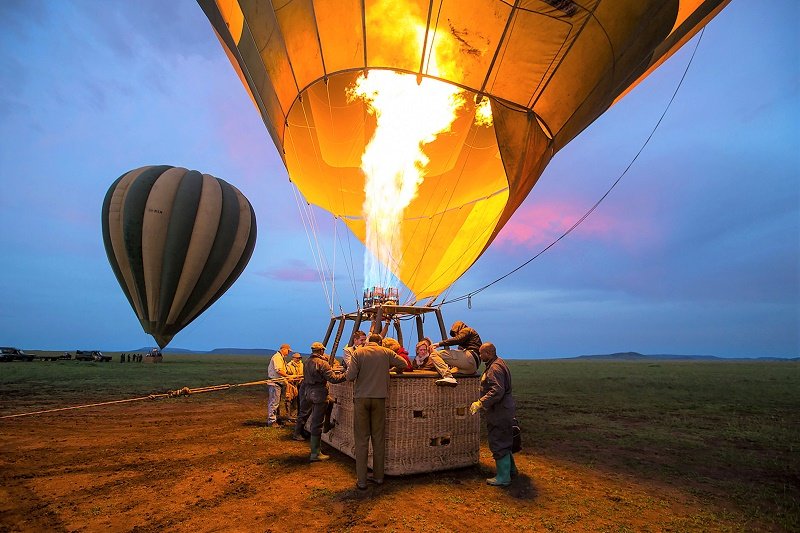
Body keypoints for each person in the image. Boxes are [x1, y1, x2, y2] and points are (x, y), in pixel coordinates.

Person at [346, 333, 408, 489]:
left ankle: (361, 481)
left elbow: (350, 376)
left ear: (368, 341)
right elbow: (404, 363)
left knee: (361, 440)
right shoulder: (386, 352)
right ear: (380, 342)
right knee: (378, 438)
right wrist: (388, 368)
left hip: (361, 399)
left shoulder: (358, 352)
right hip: (380, 399)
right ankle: (379, 477)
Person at [469, 342, 517, 486]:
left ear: (488, 353)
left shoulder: (494, 369)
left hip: (499, 411)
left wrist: (481, 402)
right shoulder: (499, 363)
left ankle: (503, 477)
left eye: (481, 353)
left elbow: (497, 391)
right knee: (505, 439)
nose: (479, 355)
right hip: (505, 409)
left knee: (498, 440)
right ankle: (511, 470)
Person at [302, 342, 346, 461]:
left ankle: (327, 425)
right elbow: (333, 379)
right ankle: (315, 453)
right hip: (319, 394)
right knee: (317, 423)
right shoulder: (322, 363)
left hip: (309, 393)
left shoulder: (306, 362)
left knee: (330, 402)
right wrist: (346, 374)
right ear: (321, 351)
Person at [267, 343, 291, 427]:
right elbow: (278, 370)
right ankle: (271, 421)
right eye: (288, 350)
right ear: (284, 349)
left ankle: (276, 418)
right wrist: (288, 377)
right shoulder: (277, 357)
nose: (288, 352)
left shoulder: (281, 358)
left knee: (277, 402)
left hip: (278, 383)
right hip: (275, 383)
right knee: (274, 402)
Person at [285, 352, 304, 421]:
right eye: (297, 358)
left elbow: (302, 373)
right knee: (289, 399)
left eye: (299, 358)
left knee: (297, 400)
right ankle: (288, 415)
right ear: (293, 358)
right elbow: (287, 374)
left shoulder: (301, 365)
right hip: (291, 384)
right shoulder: (289, 365)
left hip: (298, 384)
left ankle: (294, 415)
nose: (298, 359)